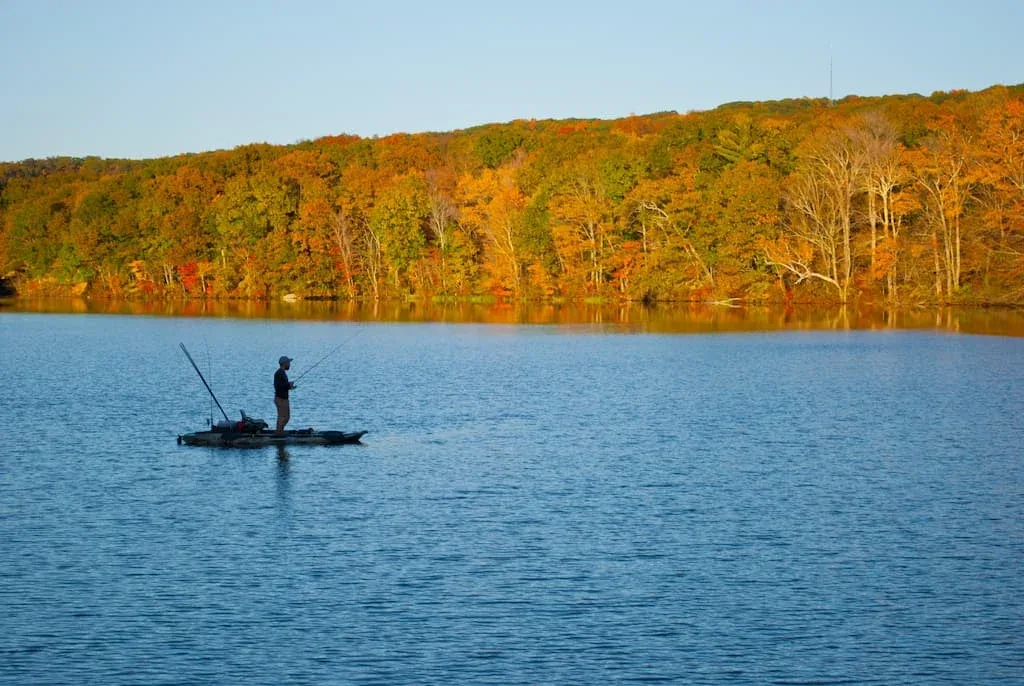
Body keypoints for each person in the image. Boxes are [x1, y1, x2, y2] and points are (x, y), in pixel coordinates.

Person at [274, 356, 296, 435]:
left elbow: (282, 386)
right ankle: (278, 433)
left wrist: (289, 386)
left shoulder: (282, 373)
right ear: (284, 364)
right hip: (280, 399)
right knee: (282, 417)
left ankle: (280, 431)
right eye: (288, 363)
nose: (289, 364)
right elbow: (279, 386)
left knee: (286, 417)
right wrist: (288, 385)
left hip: (283, 399)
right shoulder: (279, 373)